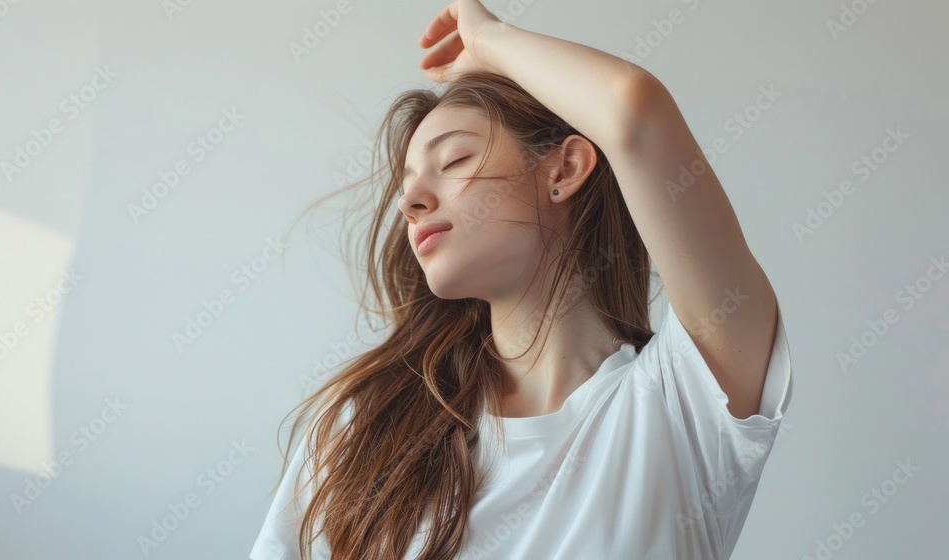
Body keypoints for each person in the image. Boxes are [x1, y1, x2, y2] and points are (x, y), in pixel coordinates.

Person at [250, 0, 793, 558]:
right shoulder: (362, 423)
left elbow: (633, 112)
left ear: (563, 169)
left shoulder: (687, 403)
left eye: (455, 159)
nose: (410, 201)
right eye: (408, 182)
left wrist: (491, 42)